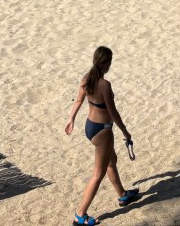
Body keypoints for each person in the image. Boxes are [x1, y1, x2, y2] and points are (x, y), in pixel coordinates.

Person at [64, 46, 139, 225]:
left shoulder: (86, 79)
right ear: (107, 63)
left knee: (111, 161)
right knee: (98, 174)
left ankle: (122, 195)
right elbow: (113, 113)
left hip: (90, 127)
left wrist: (71, 119)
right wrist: (126, 132)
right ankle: (80, 215)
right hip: (104, 131)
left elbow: (79, 100)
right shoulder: (105, 85)